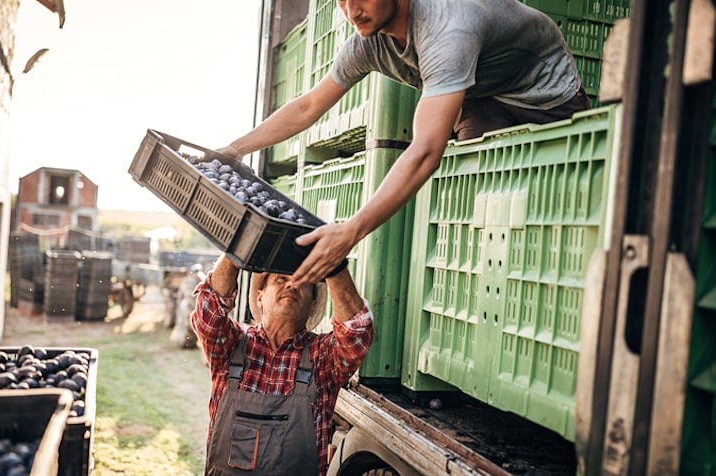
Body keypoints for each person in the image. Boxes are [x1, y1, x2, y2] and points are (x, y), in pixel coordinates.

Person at [218, 0, 591, 286]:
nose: (351, 11)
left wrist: (353, 228)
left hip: (544, 97)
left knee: (549, 202)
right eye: (341, 0)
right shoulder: (367, 43)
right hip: (480, 92)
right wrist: (235, 149)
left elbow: (427, 150)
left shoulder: (448, 28)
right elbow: (307, 106)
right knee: (483, 198)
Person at [189, 254, 374, 475]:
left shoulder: (323, 358)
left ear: (313, 303)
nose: (292, 285)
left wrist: (333, 262)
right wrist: (241, 246)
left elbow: (357, 331)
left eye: (303, 282)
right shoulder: (232, 345)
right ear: (260, 296)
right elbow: (208, 310)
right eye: (280, 279)